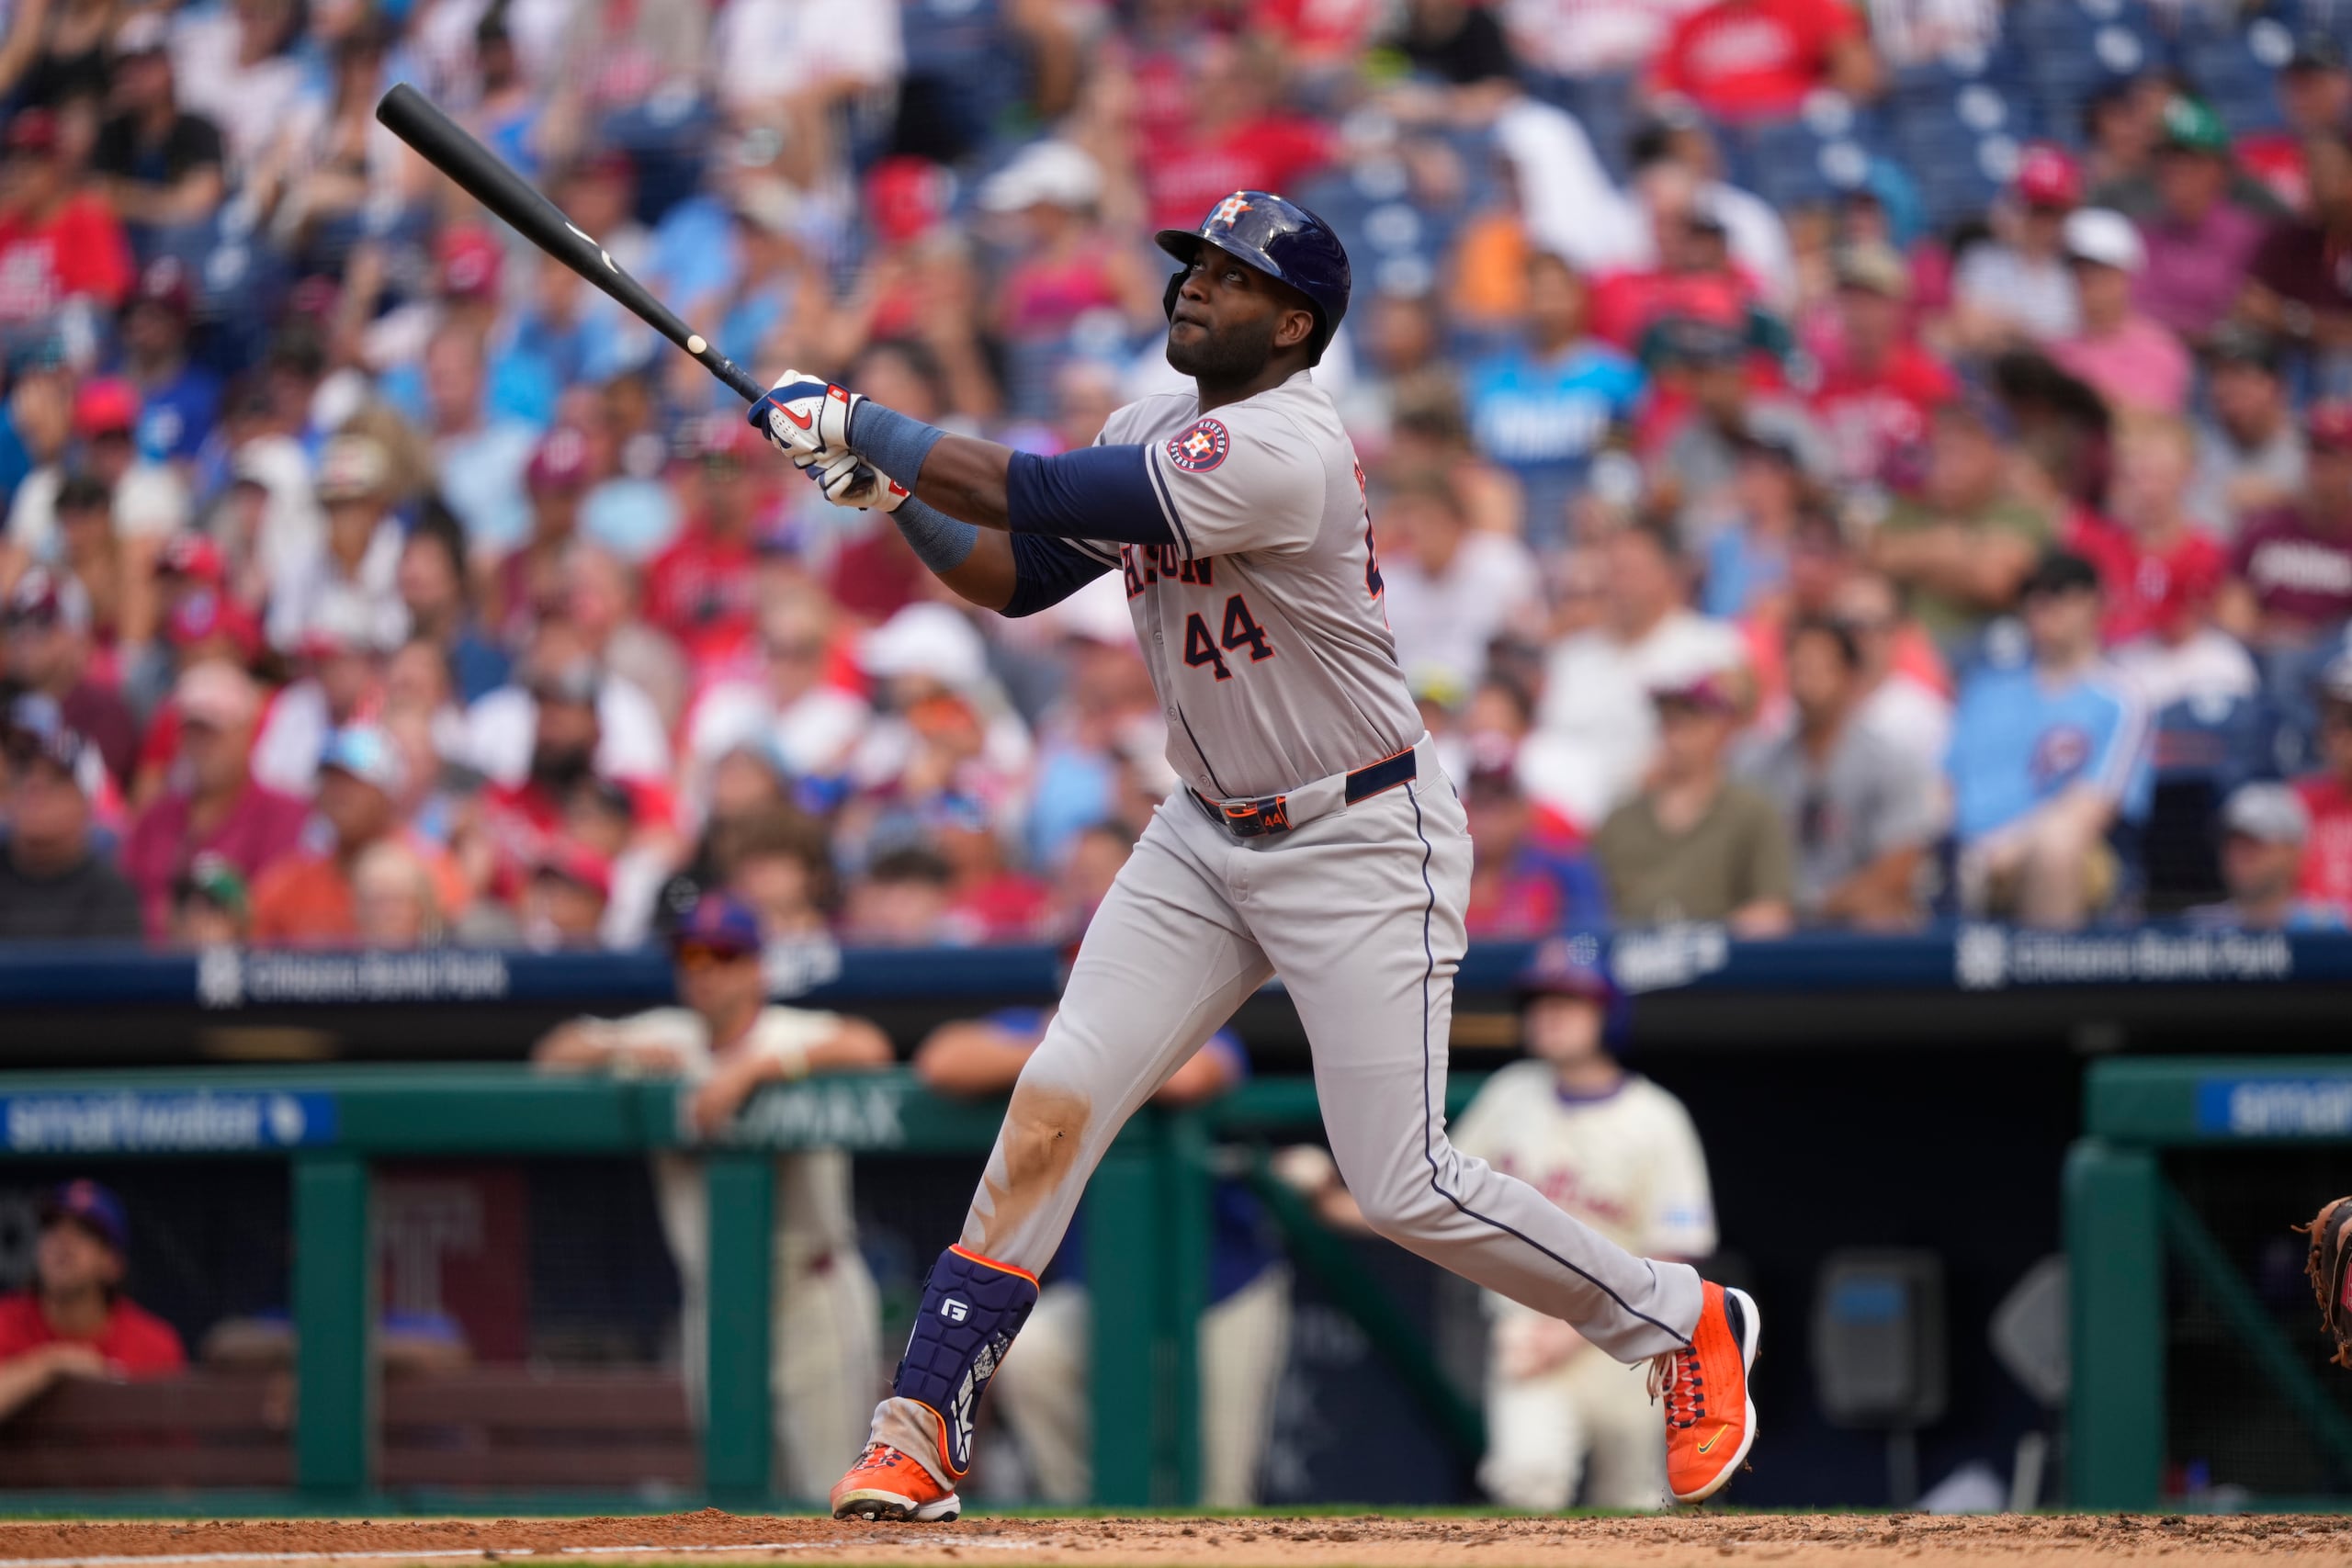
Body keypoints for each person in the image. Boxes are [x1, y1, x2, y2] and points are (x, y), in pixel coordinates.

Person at [751, 190, 1760, 1521]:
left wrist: (867, 423)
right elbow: (1016, 568)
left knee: (1399, 1180)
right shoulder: (1147, 421)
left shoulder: (1290, 447)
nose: (1192, 288)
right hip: (1202, 828)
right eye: (1191, 265)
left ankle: (1679, 1317)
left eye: (1229, 276)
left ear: (1294, 323)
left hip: (1359, 833)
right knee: (1056, 1090)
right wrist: (887, 492)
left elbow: (1030, 484)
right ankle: (922, 1418)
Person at [531, 894, 891, 1499]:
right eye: (690, 955)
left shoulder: (789, 1031)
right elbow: (552, 1053)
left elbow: (872, 1047)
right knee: (736, 1499)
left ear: (756, 968)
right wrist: (621, 1050)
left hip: (812, 1294)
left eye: (722, 954)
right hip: (716, 1302)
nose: (702, 968)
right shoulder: (664, 1033)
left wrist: (756, 1070)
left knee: (834, 1494)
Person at [912, 1002, 1285, 1507]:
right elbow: (943, 1060)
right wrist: (1060, 1052)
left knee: (1219, 1495)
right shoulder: (1054, 1028)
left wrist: (1075, 1062)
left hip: (1220, 1290)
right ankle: (1087, 1527)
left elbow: (1191, 1077)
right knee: (1037, 1351)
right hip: (1104, 1296)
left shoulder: (1193, 1016)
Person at [1449, 941, 1716, 1511]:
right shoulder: (1511, 1094)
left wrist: (1572, 1330)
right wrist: (1336, 1198)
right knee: (1527, 1479)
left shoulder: (1657, 1117)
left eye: (1569, 1001)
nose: (1549, 1014)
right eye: (1541, 1001)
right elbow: (1440, 1198)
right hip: (1527, 1330)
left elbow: (1676, 1255)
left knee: (1639, 1504)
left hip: (1628, 1340)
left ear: (1608, 1014)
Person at [1948, 551, 2153, 930]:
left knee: (2057, 845)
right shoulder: (1987, 687)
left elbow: (2093, 806)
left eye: (2058, 592)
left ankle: (2047, 986)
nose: (2043, 605)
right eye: (2033, 595)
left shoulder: (2119, 697)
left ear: (2093, 603)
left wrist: (2001, 851)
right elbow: (1943, 781)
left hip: (2052, 854)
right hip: (1962, 852)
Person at [1520, 520, 1747, 831]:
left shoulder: (1712, 648)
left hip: (1661, 823)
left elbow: (1723, 744)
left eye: (1631, 571)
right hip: (1562, 823)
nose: (1619, 583)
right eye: (1612, 571)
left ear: (1668, 574)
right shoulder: (1571, 656)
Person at [1741, 618, 1941, 929]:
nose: (1806, 680)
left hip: (1852, 917)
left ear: (1850, 676)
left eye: (1820, 668)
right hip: (1780, 917)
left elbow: (1897, 870)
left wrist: (1814, 907)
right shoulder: (1758, 763)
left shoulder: (1891, 761)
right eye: (1798, 667)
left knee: (1881, 915)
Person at [1591, 673, 1796, 934]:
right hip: (1626, 965)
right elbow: (1585, 917)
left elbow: (1772, 911)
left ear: (1722, 729)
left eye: (1691, 721)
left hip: (1727, 969)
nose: (1675, 735)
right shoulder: (1620, 819)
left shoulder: (1754, 812)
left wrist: (1703, 945)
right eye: (1668, 721)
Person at [120, 660, 307, 937]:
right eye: (192, 733)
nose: (201, 746)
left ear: (246, 732)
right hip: (156, 972)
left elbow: (280, 912)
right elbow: (125, 904)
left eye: (212, 733)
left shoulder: (286, 812)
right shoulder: (155, 818)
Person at [1869, 394, 2052, 663]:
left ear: (1997, 458)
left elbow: (1994, 581)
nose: (1949, 461)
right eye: (1943, 448)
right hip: (1906, 658)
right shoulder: (1908, 507)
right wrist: (1954, 546)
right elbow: (1873, 557)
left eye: (1964, 450)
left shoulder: (2022, 514)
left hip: (1983, 657)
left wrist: (1912, 558)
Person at [247, 726, 467, 946]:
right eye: (331, 781)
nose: (340, 795)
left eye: (354, 783)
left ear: (386, 793)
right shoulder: (289, 881)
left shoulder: (430, 869)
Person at [0, 1180, 184, 1423]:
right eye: (52, 1227)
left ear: (113, 1264)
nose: (62, 1241)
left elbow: (172, 1453)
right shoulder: (5, 1322)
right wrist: (52, 1364)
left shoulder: (154, 1344)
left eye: (84, 1232)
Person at [1375, 469, 1541, 694]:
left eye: (1430, 520)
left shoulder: (1503, 565)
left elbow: (1530, 648)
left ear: (1459, 522)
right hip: (1412, 707)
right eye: (1412, 524)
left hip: (1485, 702)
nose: (1420, 532)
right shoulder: (1388, 583)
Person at [2221, 400, 2352, 653]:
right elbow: (2233, 606)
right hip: (2264, 654)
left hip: (2336, 662)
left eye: (2331, 454)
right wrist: (2263, 630)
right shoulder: (2267, 525)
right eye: (2314, 450)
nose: (2319, 464)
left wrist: (2315, 641)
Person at [0, 719, 139, 940]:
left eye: (56, 778)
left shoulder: (110, 896)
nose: (33, 785)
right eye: (23, 771)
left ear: (87, 800)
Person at [2050, 208, 2190, 415]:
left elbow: (2152, 428)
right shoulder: (2055, 347)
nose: (2086, 279)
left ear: (2125, 275)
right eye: (2077, 269)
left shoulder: (2159, 350)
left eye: (2098, 269)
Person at [2189, 325, 2305, 536]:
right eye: (2218, 374)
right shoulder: (2193, 447)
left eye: (2239, 374)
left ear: (2277, 386)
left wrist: (2288, 499)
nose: (2226, 387)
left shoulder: (2310, 448)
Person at [2185, 783, 2342, 931]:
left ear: (2293, 851)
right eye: (2231, 843)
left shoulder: (2326, 929)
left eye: (2254, 844)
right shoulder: (2199, 930)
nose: (2239, 854)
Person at [2294, 654, 2352, 919]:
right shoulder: (2296, 803)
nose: (2334, 734)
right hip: (2311, 954)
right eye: (2330, 719)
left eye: (2347, 720)